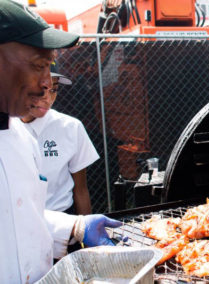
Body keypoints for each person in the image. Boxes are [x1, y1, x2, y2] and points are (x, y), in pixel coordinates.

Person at [0, 1, 121, 283]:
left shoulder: (21, 137)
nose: (46, 83)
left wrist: (76, 226)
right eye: (39, 66)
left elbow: (19, 218)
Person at [21, 62, 99, 215]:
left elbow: (81, 189)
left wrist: (84, 230)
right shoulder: (8, 129)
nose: (48, 98)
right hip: (19, 224)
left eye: (54, 89)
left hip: (64, 218)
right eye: (42, 88)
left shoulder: (70, 127)